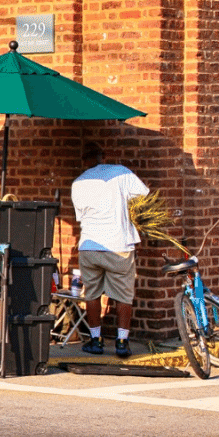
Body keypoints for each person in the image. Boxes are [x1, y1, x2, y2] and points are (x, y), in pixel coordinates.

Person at [71, 142, 149, 359]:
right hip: (119, 245)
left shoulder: (77, 183)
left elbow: (81, 217)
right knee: (124, 296)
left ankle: (95, 340)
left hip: (89, 246)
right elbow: (144, 196)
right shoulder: (121, 173)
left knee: (92, 294)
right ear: (102, 156)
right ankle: (122, 342)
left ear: (84, 161)